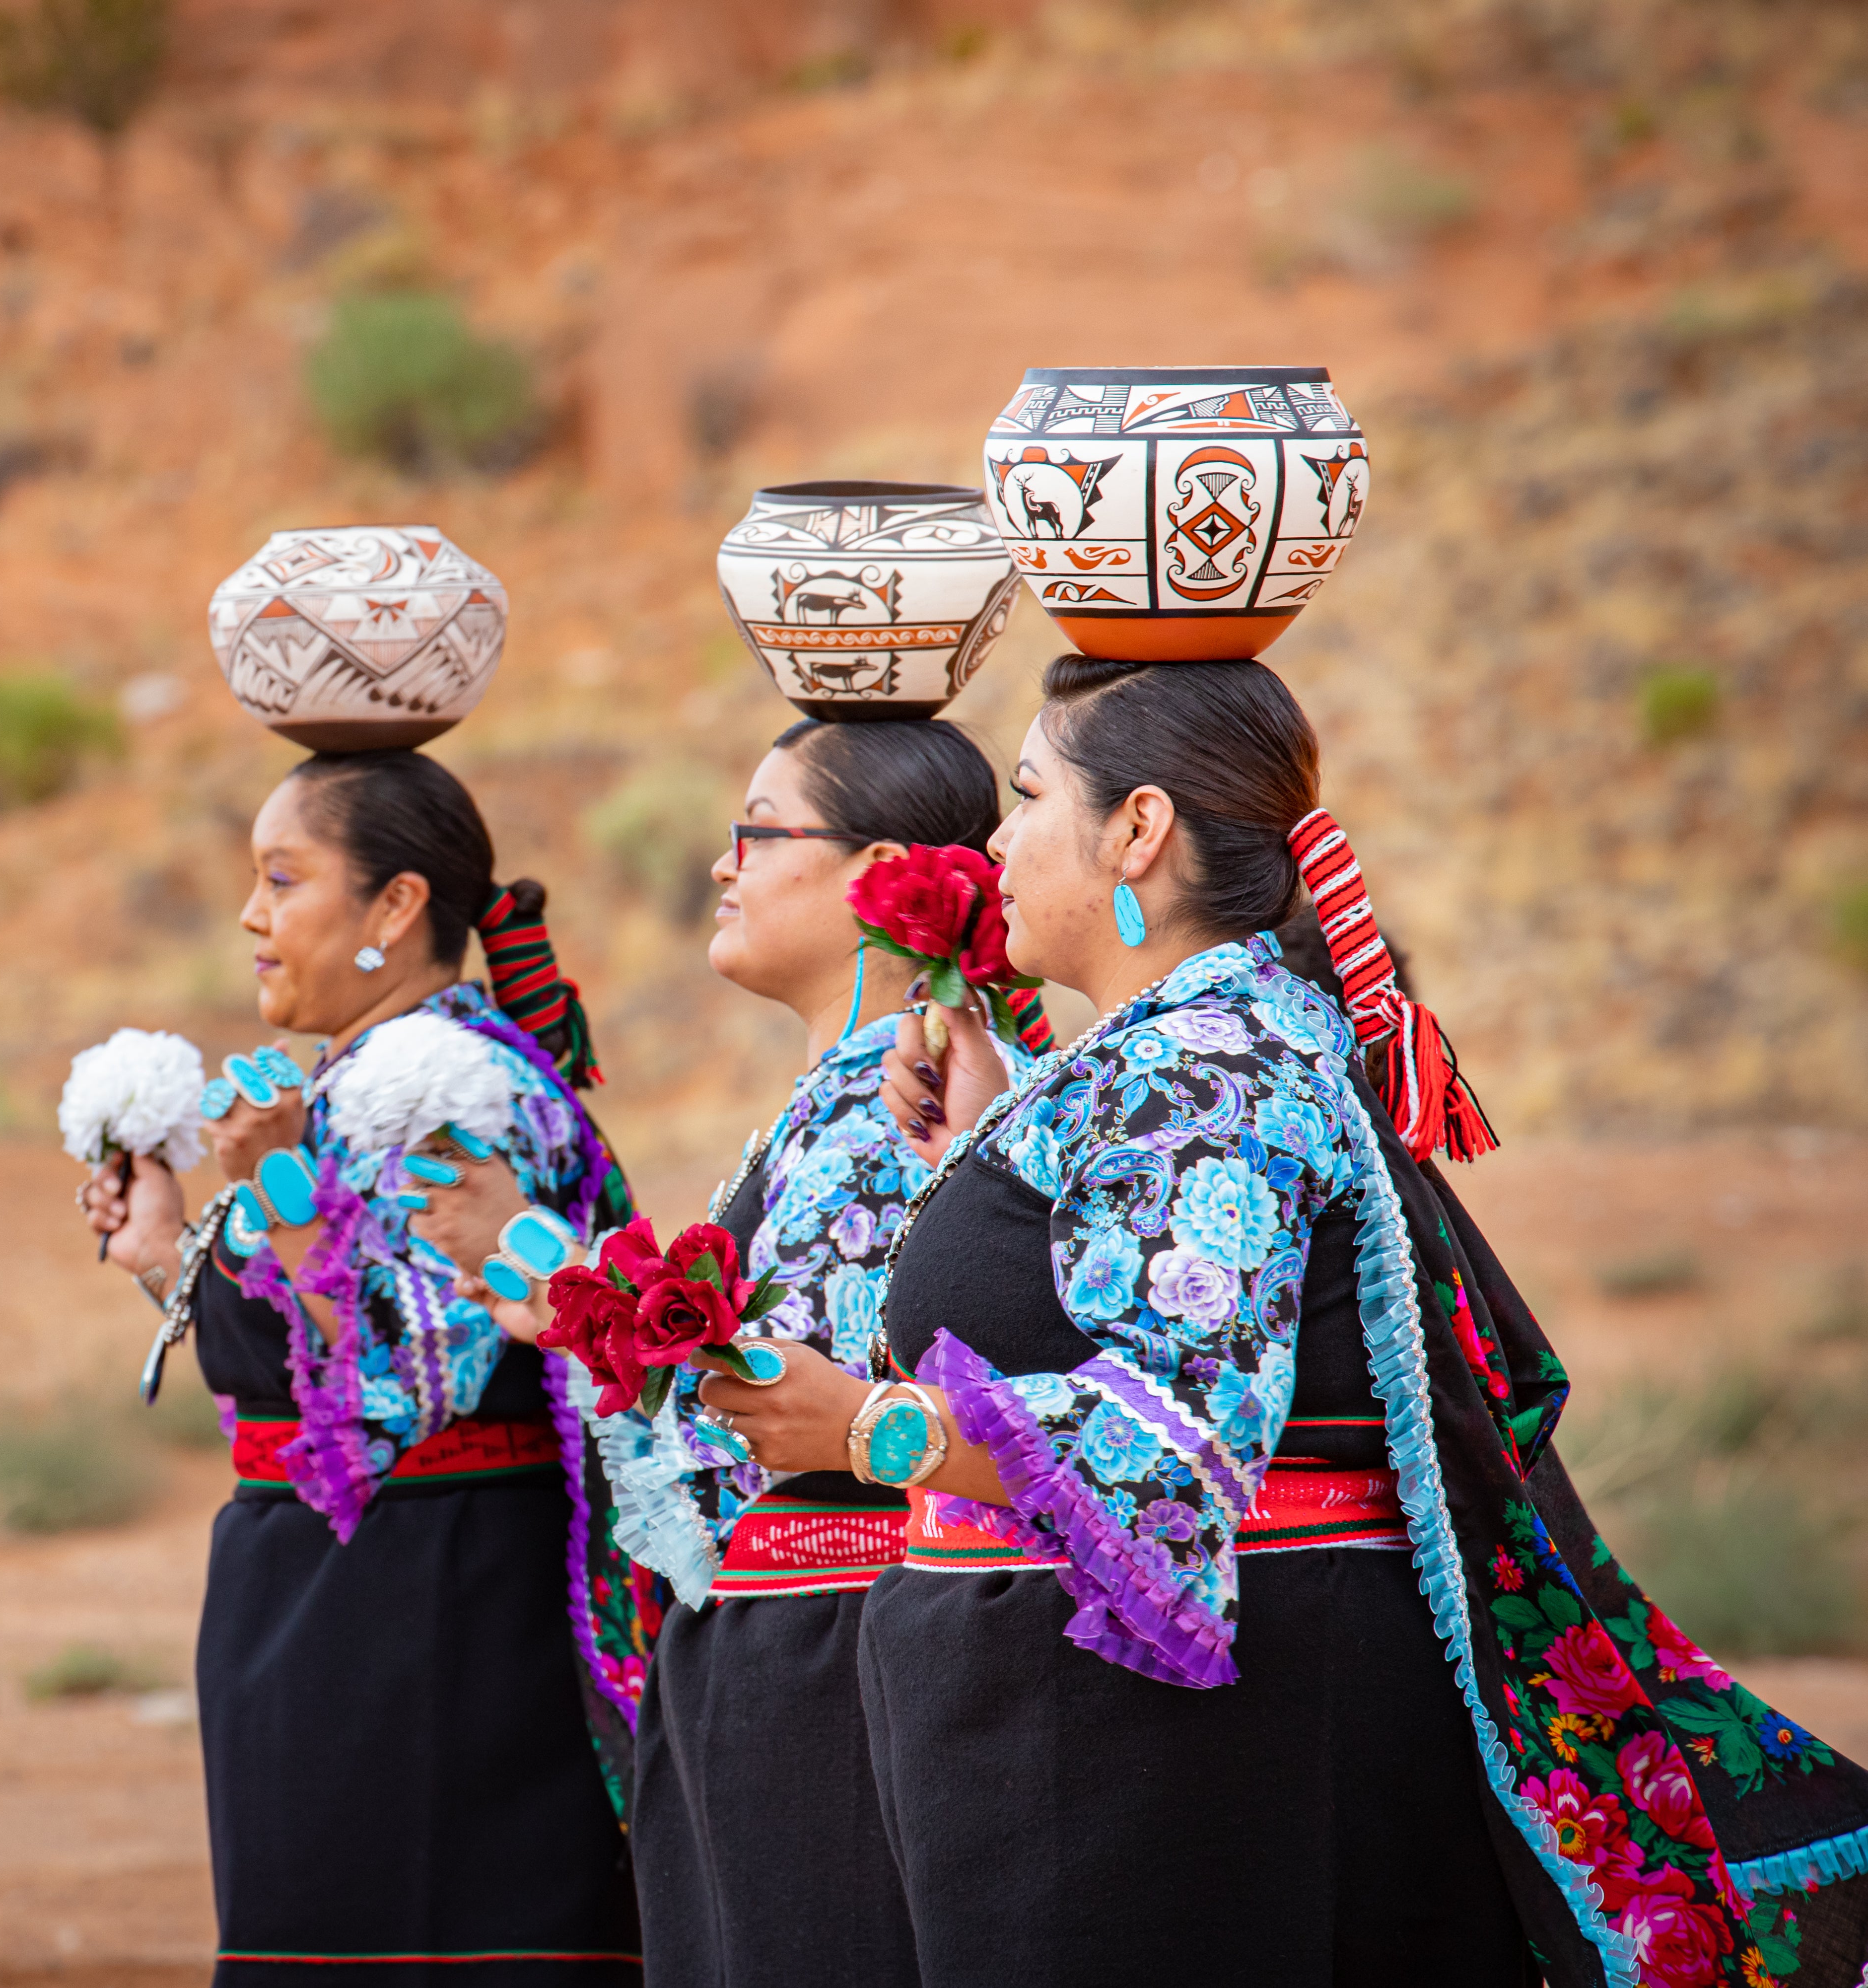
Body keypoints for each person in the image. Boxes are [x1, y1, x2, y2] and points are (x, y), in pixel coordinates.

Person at [700, 654, 1868, 1984]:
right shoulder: (1171, 1050)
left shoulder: (1209, 1063)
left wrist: (861, 1424)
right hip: (1083, 1753)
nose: (992, 840)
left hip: (1172, 1782)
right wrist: (980, 1141)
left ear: (1135, 829)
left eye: (1025, 796)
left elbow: (1178, 1435)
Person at [413, 717, 1039, 1988]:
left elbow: (768, 1403)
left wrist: (542, 1262)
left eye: (759, 831)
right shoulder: (839, 1102)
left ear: (883, 875)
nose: (722, 863)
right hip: (787, 1651)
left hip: (836, 1657)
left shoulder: (904, 1105)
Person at [79, 748, 654, 1987]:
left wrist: (273, 1189)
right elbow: (300, 1355)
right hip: (337, 1603)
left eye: (282, 879)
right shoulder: (352, 1083)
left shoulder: (438, 1089)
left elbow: (401, 1382)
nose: (251, 916)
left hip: (434, 1619)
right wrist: (164, 1248)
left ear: (395, 907)